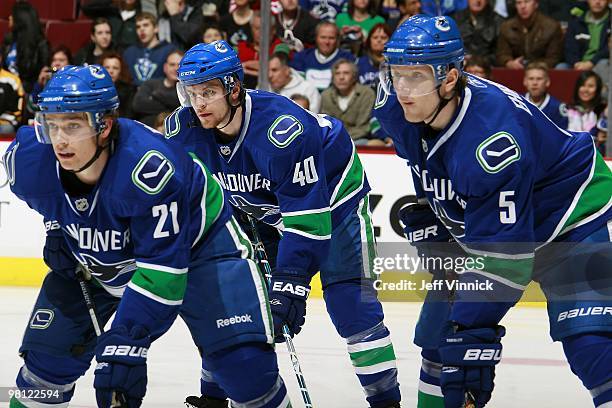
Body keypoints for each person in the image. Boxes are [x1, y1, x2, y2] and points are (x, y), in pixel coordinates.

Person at [3, 64, 290, 408]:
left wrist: (126, 344)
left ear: (104, 125)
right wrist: (56, 227)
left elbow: (162, 273)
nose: (60, 139)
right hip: (98, 256)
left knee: (245, 370)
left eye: (74, 125)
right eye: (54, 125)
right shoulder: (28, 160)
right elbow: (47, 200)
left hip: (199, 247)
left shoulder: (150, 170)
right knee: (44, 367)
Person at [377, 15, 612, 408]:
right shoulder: (397, 107)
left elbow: (506, 261)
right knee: (438, 340)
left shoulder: (491, 144)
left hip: (566, 215)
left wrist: (471, 330)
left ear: (449, 78)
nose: (402, 88)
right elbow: (425, 160)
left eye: (415, 76)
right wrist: (434, 211)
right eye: (396, 73)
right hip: (496, 222)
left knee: (590, 344)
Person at [168, 40, 402, 408]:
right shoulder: (185, 130)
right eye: (191, 92)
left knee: (351, 307)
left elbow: (307, 221)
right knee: (231, 306)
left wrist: (290, 283)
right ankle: (212, 397)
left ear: (233, 88)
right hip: (261, 210)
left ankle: (386, 402)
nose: (198, 103)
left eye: (208, 92)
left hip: (333, 200)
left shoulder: (283, 131)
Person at [321, 59, 376, 143]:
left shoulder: (366, 94)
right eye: (337, 73)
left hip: (358, 140)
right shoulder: (326, 95)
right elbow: (326, 126)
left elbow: (364, 127)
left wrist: (341, 138)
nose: (341, 77)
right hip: (332, 141)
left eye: (346, 73)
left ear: (354, 77)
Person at [496, 0, 563, 69]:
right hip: (515, 69)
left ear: (536, 4)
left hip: (543, 69)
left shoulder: (551, 26)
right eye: (519, 3)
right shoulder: (506, 27)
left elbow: (554, 58)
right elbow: (502, 54)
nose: (522, 6)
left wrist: (532, 66)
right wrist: (509, 63)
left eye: (527, 2)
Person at [290, 21, 355, 92]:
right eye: (323, 37)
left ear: (337, 40)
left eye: (331, 38)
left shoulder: (347, 59)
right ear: (316, 38)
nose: (327, 42)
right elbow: (296, 87)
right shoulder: (302, 57)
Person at [1, 1, 49, 94]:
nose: (9, 18)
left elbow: (41, 75)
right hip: (7, 91)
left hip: (31, 93)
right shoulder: (8, 42)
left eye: (12, 15)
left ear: (21, 19)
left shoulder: (40, 45)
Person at [562, 0, 610, 83]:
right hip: (578, 63)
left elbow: (608, 49)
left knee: (604, 64)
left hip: (599, 61)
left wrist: (592, 62)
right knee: (561, 67)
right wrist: (576, 63)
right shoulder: (577, 22)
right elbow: (569, 47)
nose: (598, 2)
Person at [123, 12, 176, 86]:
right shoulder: (129, 53)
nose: (141, 29)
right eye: (138, 27)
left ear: (156, 28)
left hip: (160, 95)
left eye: (146, 25)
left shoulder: (169, 50)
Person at [132, 50, 183, 126]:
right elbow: (138, 105)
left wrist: (157, 95)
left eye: (179, 65)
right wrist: (172, 106)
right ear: (165, 67)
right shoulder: (150, 84)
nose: (176, 68)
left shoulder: (187, 88)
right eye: (172, 65)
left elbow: (183, 107)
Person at [454, 0, 504, 66]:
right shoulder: (454, 20)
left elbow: (501, 54)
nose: (477, 1)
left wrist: (482, 61)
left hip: (487, 69)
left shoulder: (498, 21)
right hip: (460, 69)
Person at [523, 61, 568, 129]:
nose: (535, 83)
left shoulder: (557, 107)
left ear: (547, 82)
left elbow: (563, 136)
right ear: (525, 81)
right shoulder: (517, 103)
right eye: (531, 79)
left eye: (539, 79)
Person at [101, 51, 136, 118]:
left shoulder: (130, 90)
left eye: (115, 68)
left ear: (120, 71)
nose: (111, 71)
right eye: (107, 67)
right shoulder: (94, 89)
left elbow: (129, 116)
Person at [357, 23, 392, 89]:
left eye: (383, 37)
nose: (379, 40)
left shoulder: (396, 63)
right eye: (375, 37)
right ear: (369, 41)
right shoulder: (359, 63)